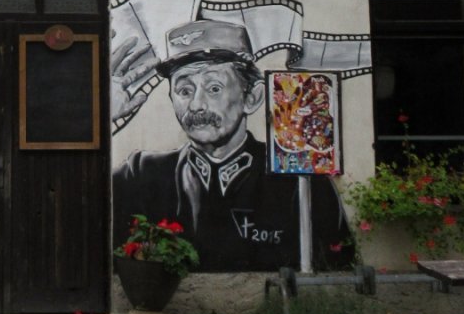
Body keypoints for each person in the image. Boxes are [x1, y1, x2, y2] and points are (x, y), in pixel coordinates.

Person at [112, 18, 351, 272]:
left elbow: (337, 272)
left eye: (214, 88)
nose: (196, 105)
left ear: (252, 97)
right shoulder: (140, 175)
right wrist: (101, 117)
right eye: (184, 91)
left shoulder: (299, 181)